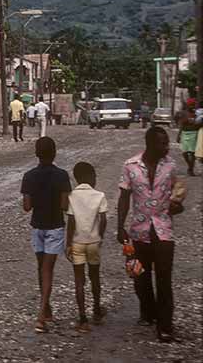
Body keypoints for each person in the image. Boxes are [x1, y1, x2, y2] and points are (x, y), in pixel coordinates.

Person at [117, 127, 185, 342]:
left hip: (164, 231)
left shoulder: (170, 166)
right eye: (162, 143)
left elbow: (177, 191)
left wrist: (177, 205)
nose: (166, 147)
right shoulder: (131, 166)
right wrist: (120, 226)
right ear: (149, 143)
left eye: (166, 143)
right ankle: (148, 312)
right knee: (139, 276)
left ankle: (165, 326)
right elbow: (124, 197)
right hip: (139, 231)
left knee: (164, 280)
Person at [21, 136, 71, 333]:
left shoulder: (29, 176)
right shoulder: (62, 176)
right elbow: (65, 205)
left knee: (40, 267)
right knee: (48, 270)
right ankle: (41, 316)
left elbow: (27, 207)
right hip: (55, 226)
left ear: (36, 154)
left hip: (37, 226)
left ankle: (46, 308)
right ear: (55, 153)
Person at [65, 162, 107, 332]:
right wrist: (100, 236)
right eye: (95, 176)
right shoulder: (99, 195)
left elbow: (71, 222)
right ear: (90, 177)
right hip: (93, 242)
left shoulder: (72, 196)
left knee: (79, 281)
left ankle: (82, 318)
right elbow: (103, 220)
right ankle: (97, 310)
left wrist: (68, 243)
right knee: (95, 277)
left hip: (77, 242)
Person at [174, 99, 197, 176]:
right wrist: (178, 135)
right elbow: (181, 125)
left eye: (193, 105)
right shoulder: (184, 113)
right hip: (185, 133)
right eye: (191, 105)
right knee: (184, 153)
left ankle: (191, 169)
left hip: (194, 133)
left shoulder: (196, 113)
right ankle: (190, 166)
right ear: (187, 105)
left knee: (192, 153)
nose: (192, 106)